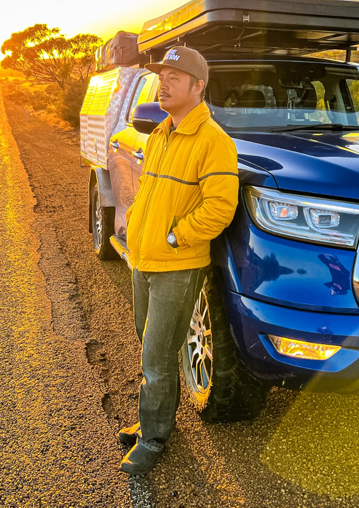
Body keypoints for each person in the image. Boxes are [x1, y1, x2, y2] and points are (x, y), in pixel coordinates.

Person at [117, 46, 239, 475]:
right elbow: (148, 193)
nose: (163, 82)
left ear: (198, 86)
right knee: (148, 342)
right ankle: (156, 418)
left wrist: (174, 236)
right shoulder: (160, 136)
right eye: (162, 74)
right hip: (145, 259)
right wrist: (134, 225)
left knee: (157, 354)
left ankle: (153, 439)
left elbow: (219, 208)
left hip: (176, 264)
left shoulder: (214, 143)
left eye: (175, 76)